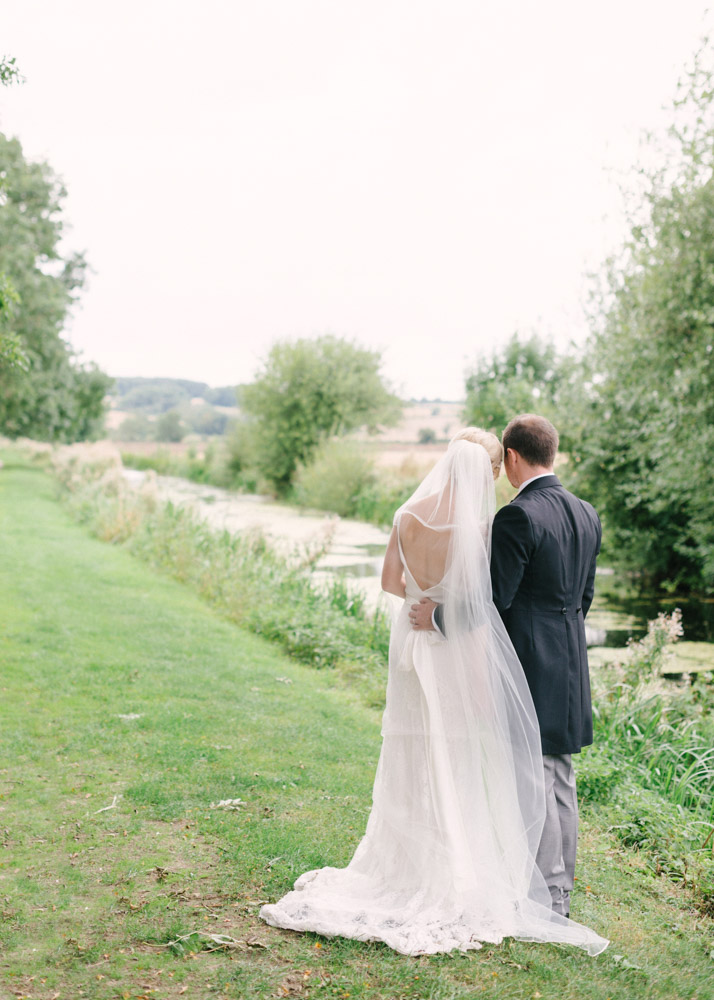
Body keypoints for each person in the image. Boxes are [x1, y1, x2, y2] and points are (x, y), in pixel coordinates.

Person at [259, 432, 607, 956]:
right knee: (479, 761)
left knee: (415, 748)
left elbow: (395, 584)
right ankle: (533, 885)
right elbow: (511, 598)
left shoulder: (409, 515)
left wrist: (428, 603)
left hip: (416, 640)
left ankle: (425, 865)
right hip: (496, 654)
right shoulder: (567, 514)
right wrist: (448, 607)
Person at [410, 415, 600, 920]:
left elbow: (490, 601)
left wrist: (437, 614)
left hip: (532, 665)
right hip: (571, 664)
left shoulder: (519, 516)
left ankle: (546, 896)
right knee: (560, 778)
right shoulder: (586, 513)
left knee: (533, 779)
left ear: (513, 457)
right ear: (552, 452)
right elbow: (584, 599)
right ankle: (560, 891)